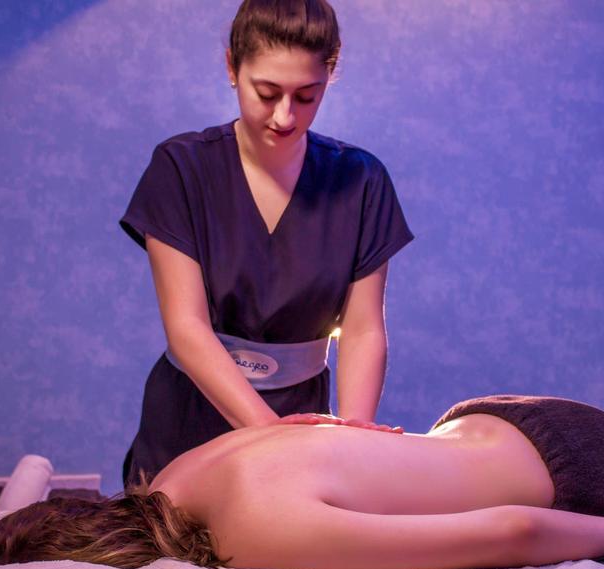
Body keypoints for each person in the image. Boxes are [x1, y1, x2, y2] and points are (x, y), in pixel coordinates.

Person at [118, 0, 414, 489]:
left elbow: (362, 331)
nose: (284, 116)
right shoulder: (181, 168)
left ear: (329, 76)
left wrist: (355, 442)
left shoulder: (360, 180)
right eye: (267, 93)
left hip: (301, 420)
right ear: (233, 68)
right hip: (191, 420)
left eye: (306, 96)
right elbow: (186, 329)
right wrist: (272, 440)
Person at [0, 395, 604, 569]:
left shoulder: (247, 536)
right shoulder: (171, 476)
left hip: (573, 468)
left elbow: (513, 531)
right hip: (493, 418)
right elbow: (310, 424)